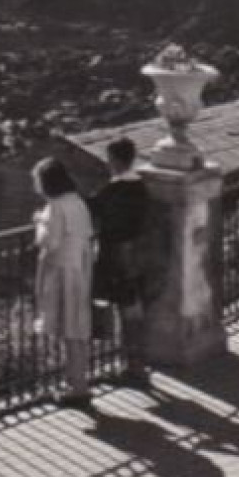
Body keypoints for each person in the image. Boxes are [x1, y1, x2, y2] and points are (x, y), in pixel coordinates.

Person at [90, 138, 153, 388]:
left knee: (126, 311)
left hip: (117, 255)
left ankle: (133, 367)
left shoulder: (114, 190)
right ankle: (136, 364)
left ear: (115, 160)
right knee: (134, 309)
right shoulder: (140, 186)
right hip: (138, 253)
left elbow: (95, 209)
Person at [32, 157, 95, 408]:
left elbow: (51, 242)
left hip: (62, 270)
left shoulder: (56, 206)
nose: (34, 184)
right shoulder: (77, 202)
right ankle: (78, 381)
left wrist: (39, 226)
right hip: (80, 267)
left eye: (36, 179)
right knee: (77, 328)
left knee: (69, 329)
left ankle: (77, 386)